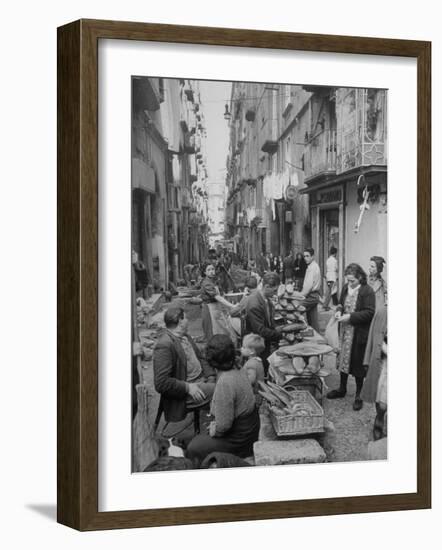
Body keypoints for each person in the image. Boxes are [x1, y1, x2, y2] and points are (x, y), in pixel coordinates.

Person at [186, 334, 260, 462]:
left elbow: (224, 426)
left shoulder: (226, 381)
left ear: (211, 359)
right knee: (204, 436)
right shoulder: (237, 366)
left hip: (241, 439)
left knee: (194, 447)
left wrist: (214, 429)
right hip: (251, 426)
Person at [153, 306, 216, 424]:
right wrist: (187, 387)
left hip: (201, 379)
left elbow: (201, 358)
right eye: (186, 318)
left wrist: (211, 376)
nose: (188, 320)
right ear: (180, 321)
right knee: (222, 390)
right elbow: (161, 383)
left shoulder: (185, 336)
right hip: (183, 394)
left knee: (225, 378)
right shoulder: (164, 345)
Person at [326, 263, 375, 411]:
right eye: (348, 280)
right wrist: (339, 311)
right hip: (345, 331)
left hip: (358, 333)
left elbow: (369, 312)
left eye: (352, 280)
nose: (350, 283)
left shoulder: (367, 291)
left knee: (358, 364)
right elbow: (340, 303)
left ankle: (359, 395)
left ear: (360, 277)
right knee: (342, 360)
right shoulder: (346, 288)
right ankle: (342, 389)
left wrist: (350, 317)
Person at [245, 271, 289, 373]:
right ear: (267, 286)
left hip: (264, 342)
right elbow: (260, 331)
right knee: (263, 370)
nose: (275, 294)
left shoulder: (266, 300)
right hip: (256, 346)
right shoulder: (254, 303)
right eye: (274, 290)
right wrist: (280, 334)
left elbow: (268, 322)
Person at [360, 305, 388, 439]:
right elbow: (372, 336)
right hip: (384, 362)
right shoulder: (382, 312)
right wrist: (367, 360)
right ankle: (379, 421)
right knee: (381, 398)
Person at [200, 263, 237, 343]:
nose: (211, 272)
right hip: (209, 309)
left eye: (212, 269)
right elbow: (217, 297)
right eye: (208, 270)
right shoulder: (206, 283)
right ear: (204, 272)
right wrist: (232, 306)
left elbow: (221, 295)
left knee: (222, 330)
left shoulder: (214, 280)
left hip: (216, 308)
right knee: (213, 332)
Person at [300, 248, 322, 332]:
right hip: (313, 295)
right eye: (304, 256)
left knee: (296, 307)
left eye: (307, 256)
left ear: (312, 256)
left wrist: (299, 296)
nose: (305, 258)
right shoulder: (313, 266)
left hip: (311, 295)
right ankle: (317, 338)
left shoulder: (312, 268)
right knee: (313, 321)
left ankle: (298, 329)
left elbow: (308, 287)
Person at [240, 333, 266, 405]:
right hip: (259, 392)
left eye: (244, 347)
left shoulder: (251, 364)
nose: (241, 349)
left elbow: (250, 381)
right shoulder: (258, 360)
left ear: (251, 351)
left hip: (254, 395)